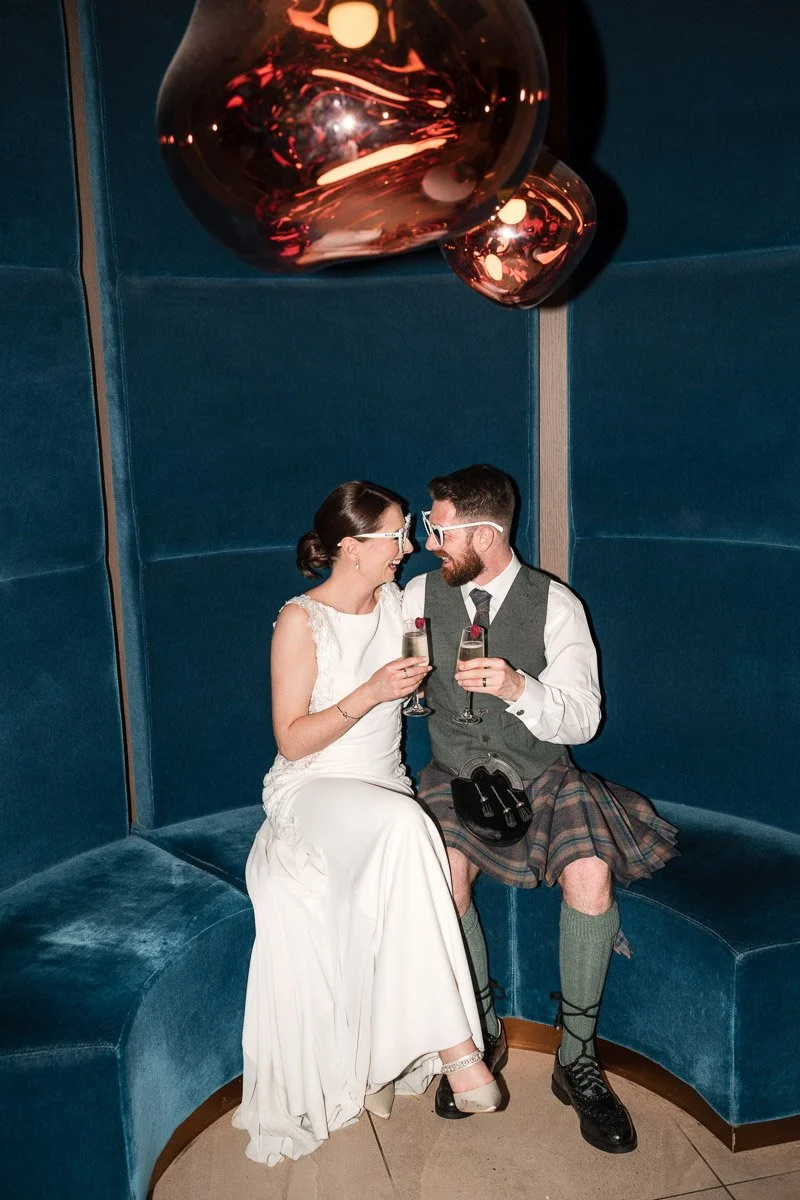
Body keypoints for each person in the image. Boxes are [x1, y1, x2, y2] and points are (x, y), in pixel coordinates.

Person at [403, 464, 679, 1154]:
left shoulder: (556, 604)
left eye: (439, 528)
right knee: (442, 874)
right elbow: (401, 674)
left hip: (542, 774)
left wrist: (519, 685)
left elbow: (585, 717)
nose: (428, 540)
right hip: (454, 774)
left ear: (486, 534)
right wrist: (404, 689)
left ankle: (576, 1059)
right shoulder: (416, 593)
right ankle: (482, 1032)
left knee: (591, 873)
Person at [233, 480, 499, 1168]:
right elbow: (291, 740)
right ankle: (458, 1050)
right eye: (394, 537)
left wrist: (421, 694)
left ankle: (381, 1061)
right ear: (350, 547)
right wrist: (371, 693)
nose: (407, 548)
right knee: (408, 831)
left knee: (401, 826)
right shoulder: (300, 621)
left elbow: (417, 689)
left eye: (409, 534)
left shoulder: (397, 604)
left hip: (382, 783)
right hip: (314, 785)